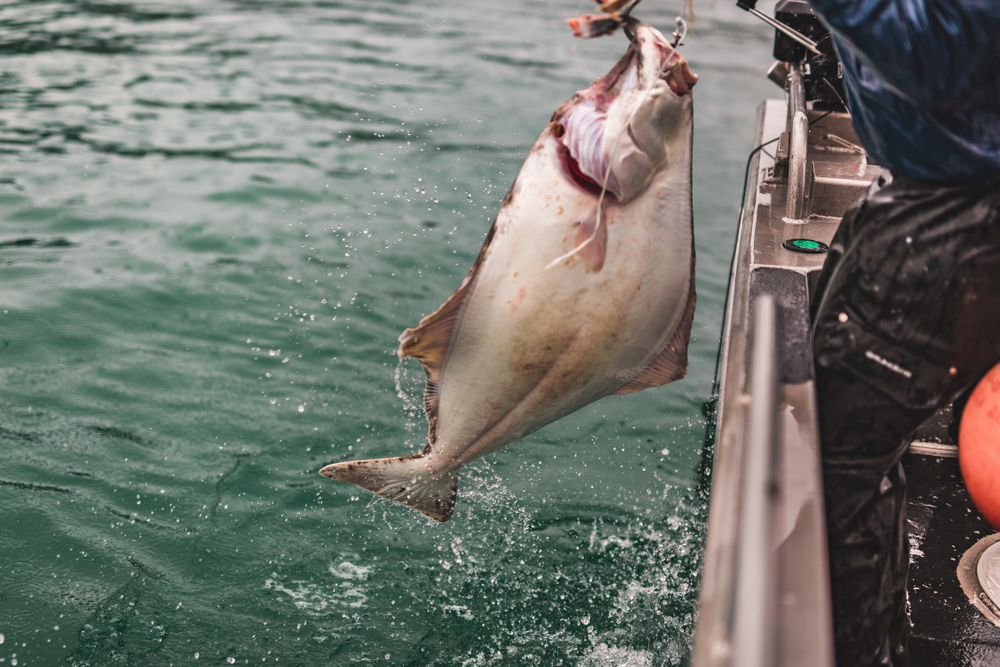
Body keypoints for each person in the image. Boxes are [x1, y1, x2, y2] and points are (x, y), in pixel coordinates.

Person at [802, 1, 1000, 666]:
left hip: (957, 215)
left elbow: (945, 54)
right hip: (923, 198)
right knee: (845, 451)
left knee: (836, 469)